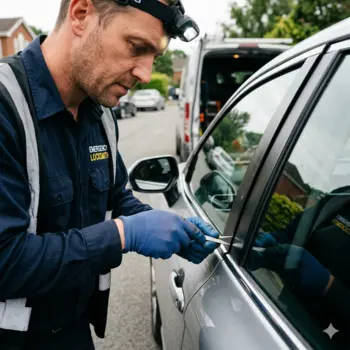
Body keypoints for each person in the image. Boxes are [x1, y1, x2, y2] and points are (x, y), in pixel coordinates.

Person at [0, 0, 218, 349]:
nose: (145, 74)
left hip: (74, 332)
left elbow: (116, 198)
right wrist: (122, 235)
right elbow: (5, 260)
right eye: (136, 48)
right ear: (81, 13)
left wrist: (169, 226)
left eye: (154, 59)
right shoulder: (5, 105)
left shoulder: (100, 113)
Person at [250, 186, 350, 348]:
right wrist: (272, 244)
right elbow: (295, 232)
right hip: (282, 316)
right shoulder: (342, 196)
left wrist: (329, 287)